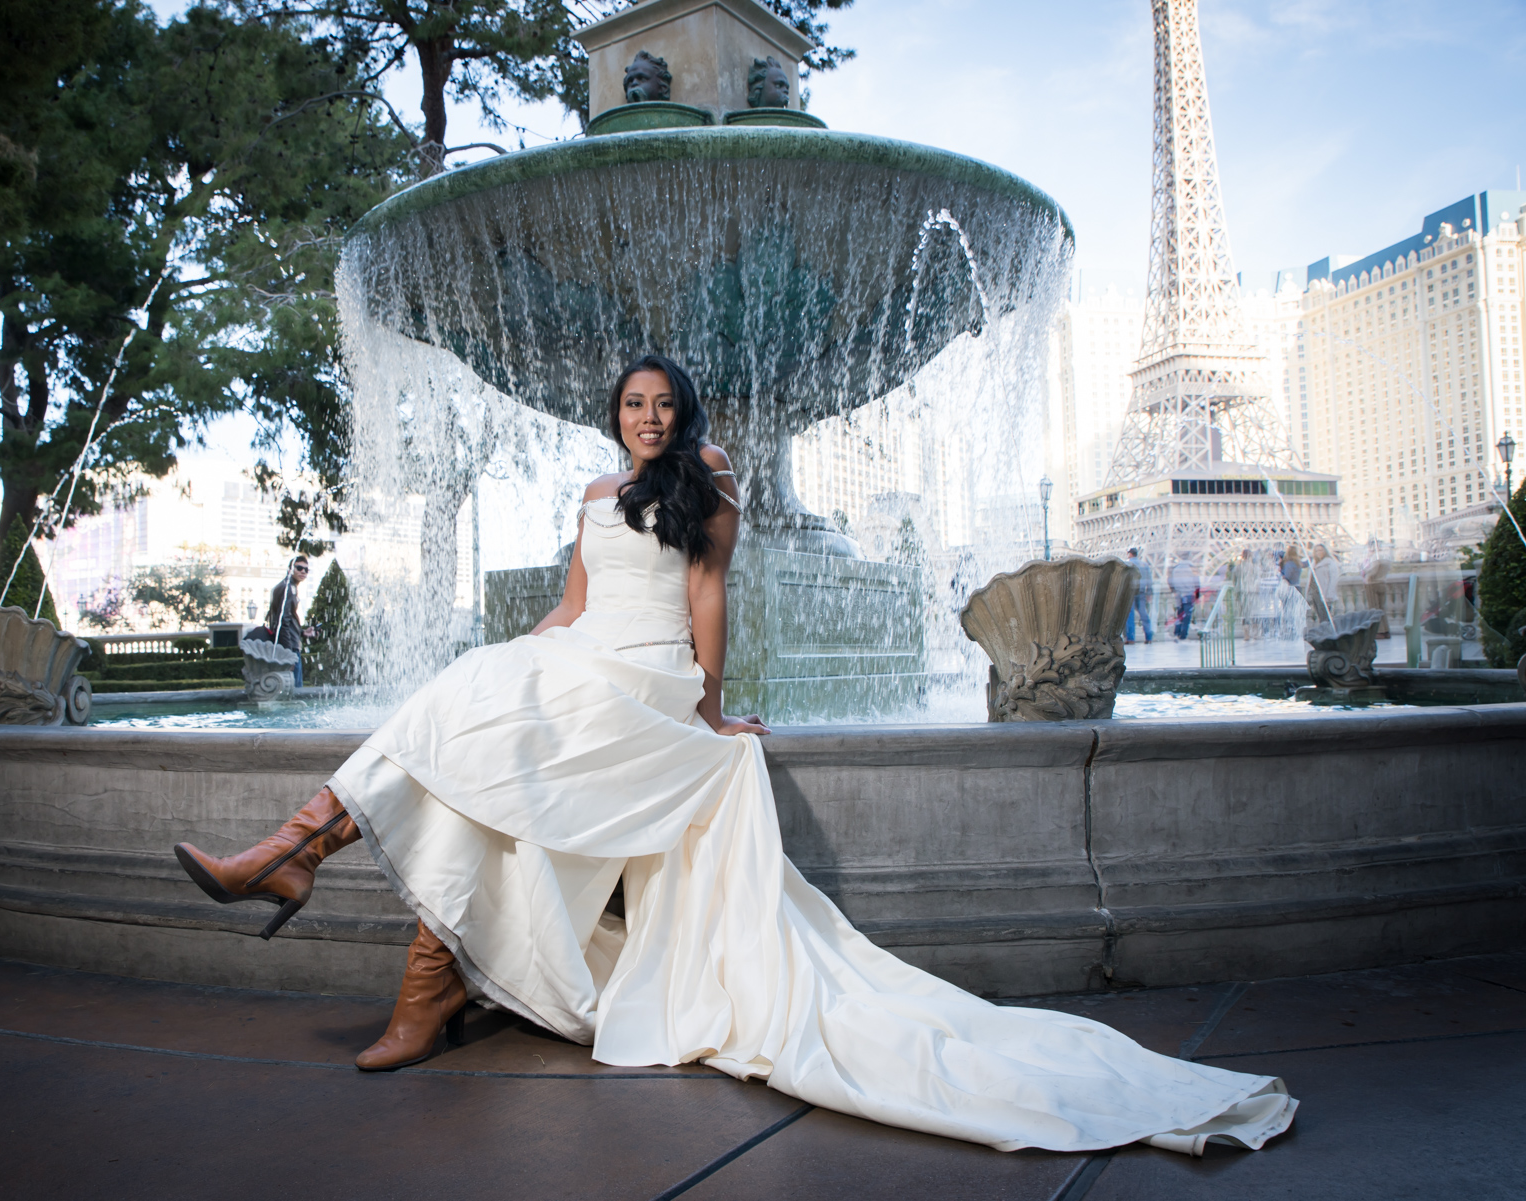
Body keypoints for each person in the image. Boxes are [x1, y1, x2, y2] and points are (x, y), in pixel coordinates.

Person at [173, 355, 1295, 1155]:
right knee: (474, 705)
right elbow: (568, 607)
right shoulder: (593, 494)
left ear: (683, 413)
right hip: (581, 660)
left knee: (485, 724)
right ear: (613, 417)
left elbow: (708, 601)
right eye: (632, 404)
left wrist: (711, 712)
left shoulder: (707, 484)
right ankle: (323, 882)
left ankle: (315, 874)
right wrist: (496, 669)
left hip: (652, 679)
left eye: (662, 403)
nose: (648, 418)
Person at [263, 555, 319, 687]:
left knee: (292, 694)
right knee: (294, 694)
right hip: (290, 649)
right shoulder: (287, 588)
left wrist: (302, 632)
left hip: (290, 646)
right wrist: (288, 654)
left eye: (306, 570)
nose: (303, 572)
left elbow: (287, 619)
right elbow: (282, 622)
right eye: (299, 568)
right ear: (290, 569)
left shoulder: (289, 587)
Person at [1124, 548, 1153, 643]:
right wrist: (1149, 592)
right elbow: (1149, 580)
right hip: (1141, 592)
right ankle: (1149, 637)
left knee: (1130, 616)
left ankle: (1131, 638)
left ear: (1130, 554)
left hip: (1130, 592)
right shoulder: (1144, 565)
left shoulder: (1127, 564)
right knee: (1144, 614)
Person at [1308, 543, 1342, 623]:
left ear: (1325, 551)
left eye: (1320, 550)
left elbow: (1333, 579)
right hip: (1315, 593)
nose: (1318, 552)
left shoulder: (1330, 563)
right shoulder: (1313, 563)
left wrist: (1329, 594)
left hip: (1324, 593)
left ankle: (1327, 633)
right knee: (1319, 615)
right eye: (1316, 551)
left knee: (1325, 617)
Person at [1168, 556, 1200, 640]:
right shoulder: (1191, 569)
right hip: (1189, 594)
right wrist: (1197, 596)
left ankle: (1177, 631)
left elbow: (1170, 581)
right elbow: (1197, 583)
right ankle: (1183, 634)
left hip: (1178, 594)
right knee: (1187, 615)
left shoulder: (1175, 569)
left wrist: (1174, 590)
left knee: (1180, 614)